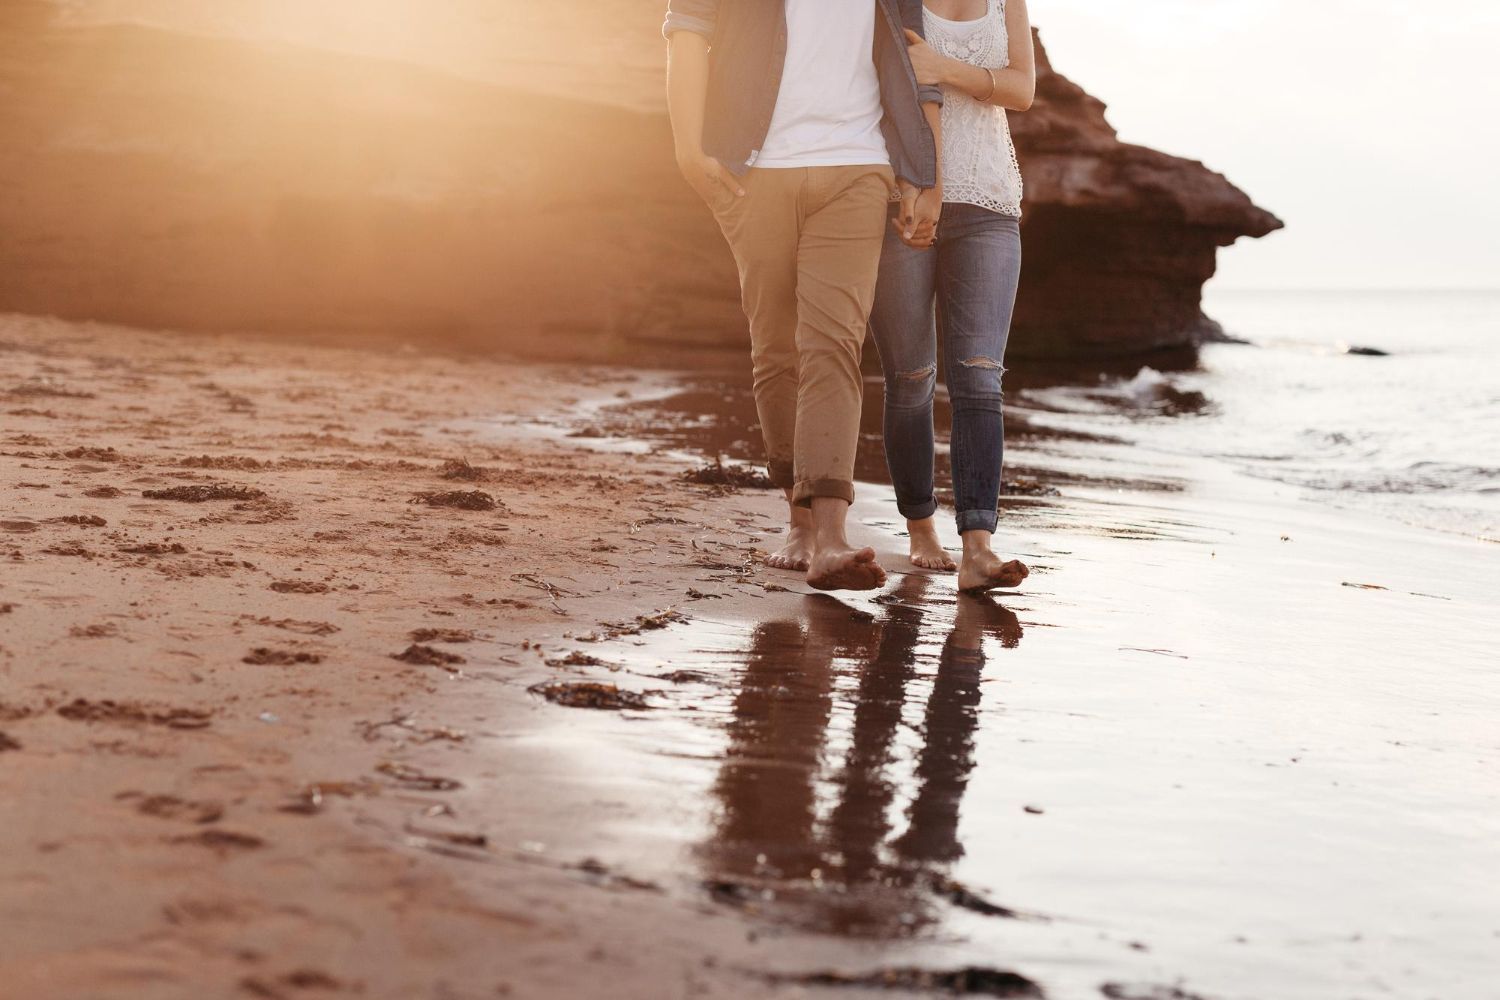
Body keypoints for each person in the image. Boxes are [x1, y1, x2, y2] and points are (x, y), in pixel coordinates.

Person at [664, 0, 944, 591]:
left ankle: (832, 538)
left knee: (834, 344)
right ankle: (797, 520)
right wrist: (689, 151)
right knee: (776, 346)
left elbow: (911, 55)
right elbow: (686, 31)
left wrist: (922, 169)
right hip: (753, 164)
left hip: (859, 163)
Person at [870, 0, 1035, 592]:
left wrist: (942, 67)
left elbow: (1021, 90)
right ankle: (920, 528)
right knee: (911, 377)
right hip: (905, 201)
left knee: (979, 375)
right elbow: (887, 85)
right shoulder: (893, 3)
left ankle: (979, 548)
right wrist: (916, 183)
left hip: (990, 203)